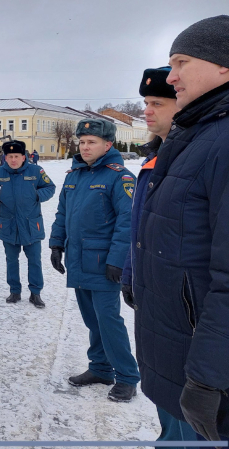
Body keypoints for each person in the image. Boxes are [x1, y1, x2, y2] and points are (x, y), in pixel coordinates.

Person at [136, 16, 229, 441]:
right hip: (177, 347)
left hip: (203, 363)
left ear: (223, 64)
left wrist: (211, 376)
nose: (170, 76)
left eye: (181, 61)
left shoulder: (221, 141)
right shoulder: (198, 135)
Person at [121, 66, 197, 444]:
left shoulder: (195, 156)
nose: (147, 112)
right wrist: (131, 274)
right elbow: (141, 230)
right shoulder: (155, 161)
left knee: (190, 410)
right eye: (145, 103)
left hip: (186, 306)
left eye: (157, 103)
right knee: (165, 394)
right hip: (156, 298)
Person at [49, 118, 140, 403]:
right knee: (92, 320)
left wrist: (119, 260)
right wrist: (55, 243)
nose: (85, 147)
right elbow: (62, 213)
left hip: (103, 263)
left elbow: (128, 222)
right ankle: (101, 368)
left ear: (108, 145)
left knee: (109, 320)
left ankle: (127, 376)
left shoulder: (120, 177)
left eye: (92, 142)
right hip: (79, 259)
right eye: (82, 141)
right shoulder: (74, 175)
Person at [0, 140, 55, 307]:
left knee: (35, 260)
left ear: (24, 157)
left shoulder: (36, 171)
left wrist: (37, 195)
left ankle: (35, 293)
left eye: (16, 156)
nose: (13, 160)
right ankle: (14, 291)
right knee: (11, 260)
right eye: (10, 156)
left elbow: (50, 187)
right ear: (5, 158)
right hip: (9, 224)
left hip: (31, 225)